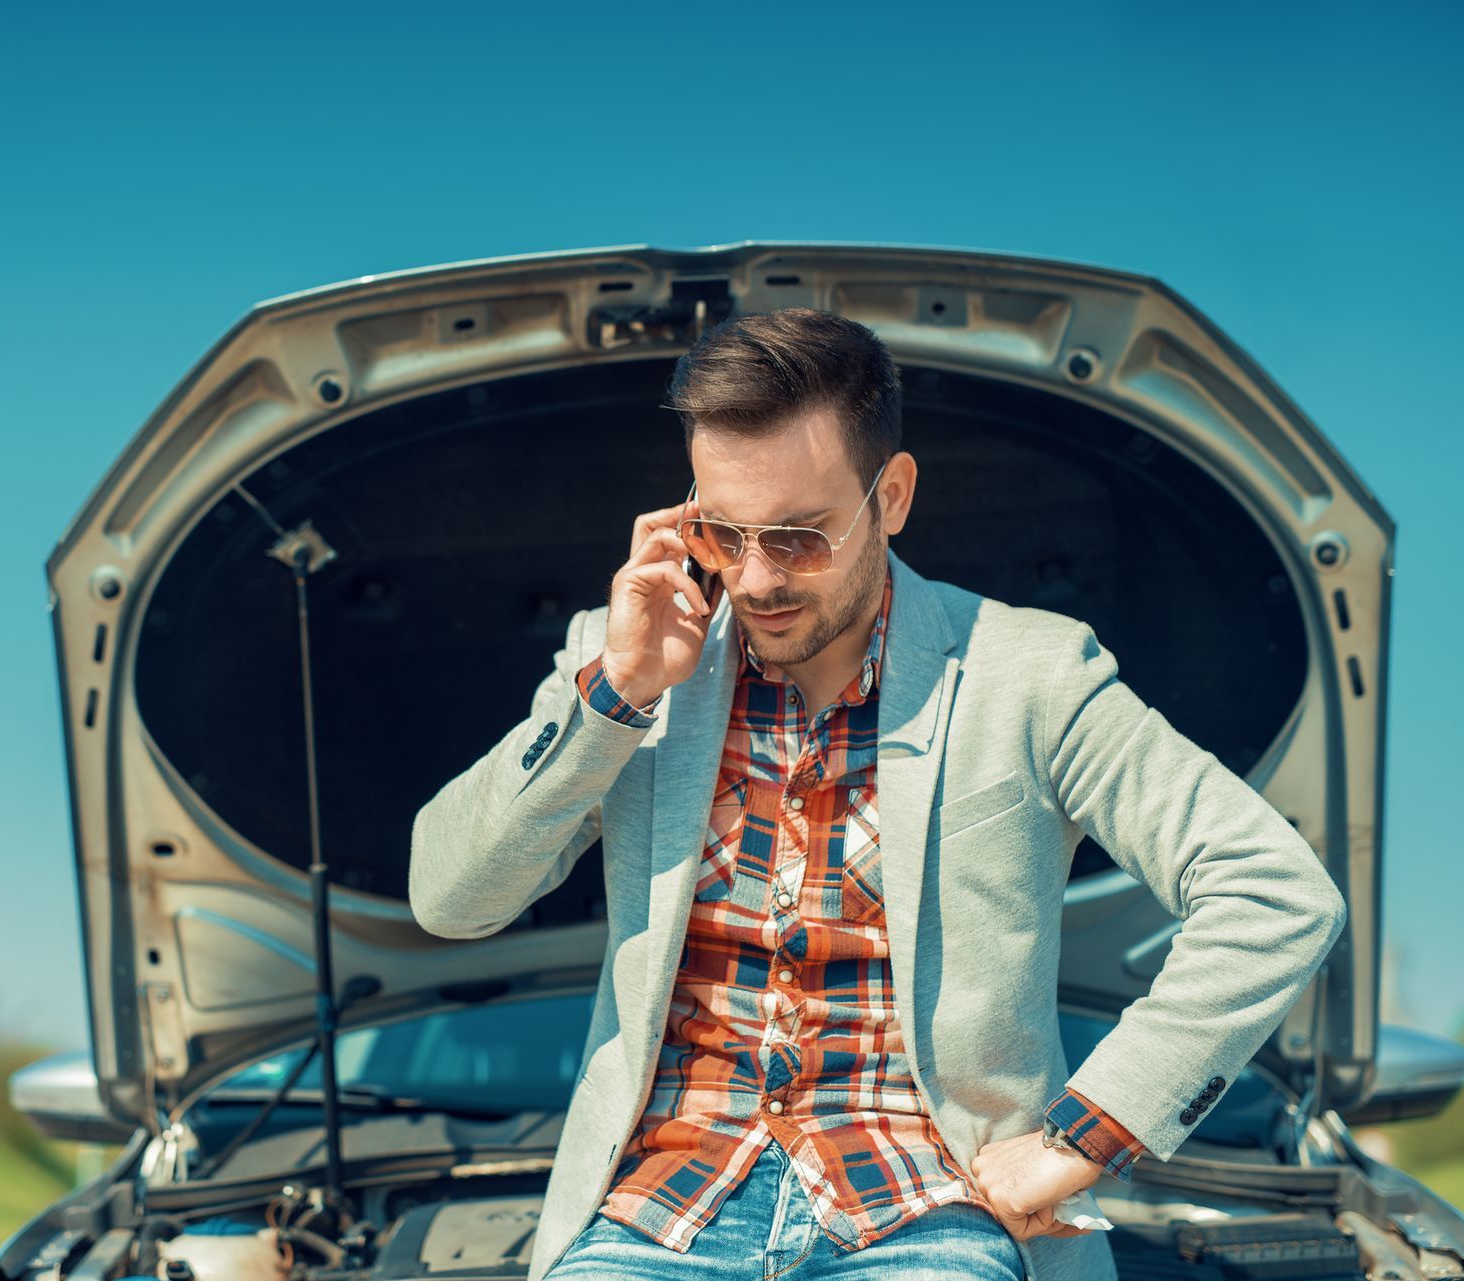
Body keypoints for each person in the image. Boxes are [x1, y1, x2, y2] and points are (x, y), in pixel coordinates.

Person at [407, 307, 1346, 1281]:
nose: (758, 578)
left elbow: (1274, 892)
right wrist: (618, 692)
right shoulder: (623, 660)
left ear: (891, 496)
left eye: (801, 538)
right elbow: (450, 897)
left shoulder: (1031, 676)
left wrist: (1080, 1141)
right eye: (725, 533)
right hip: (654, 1215)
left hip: (926, 1216)